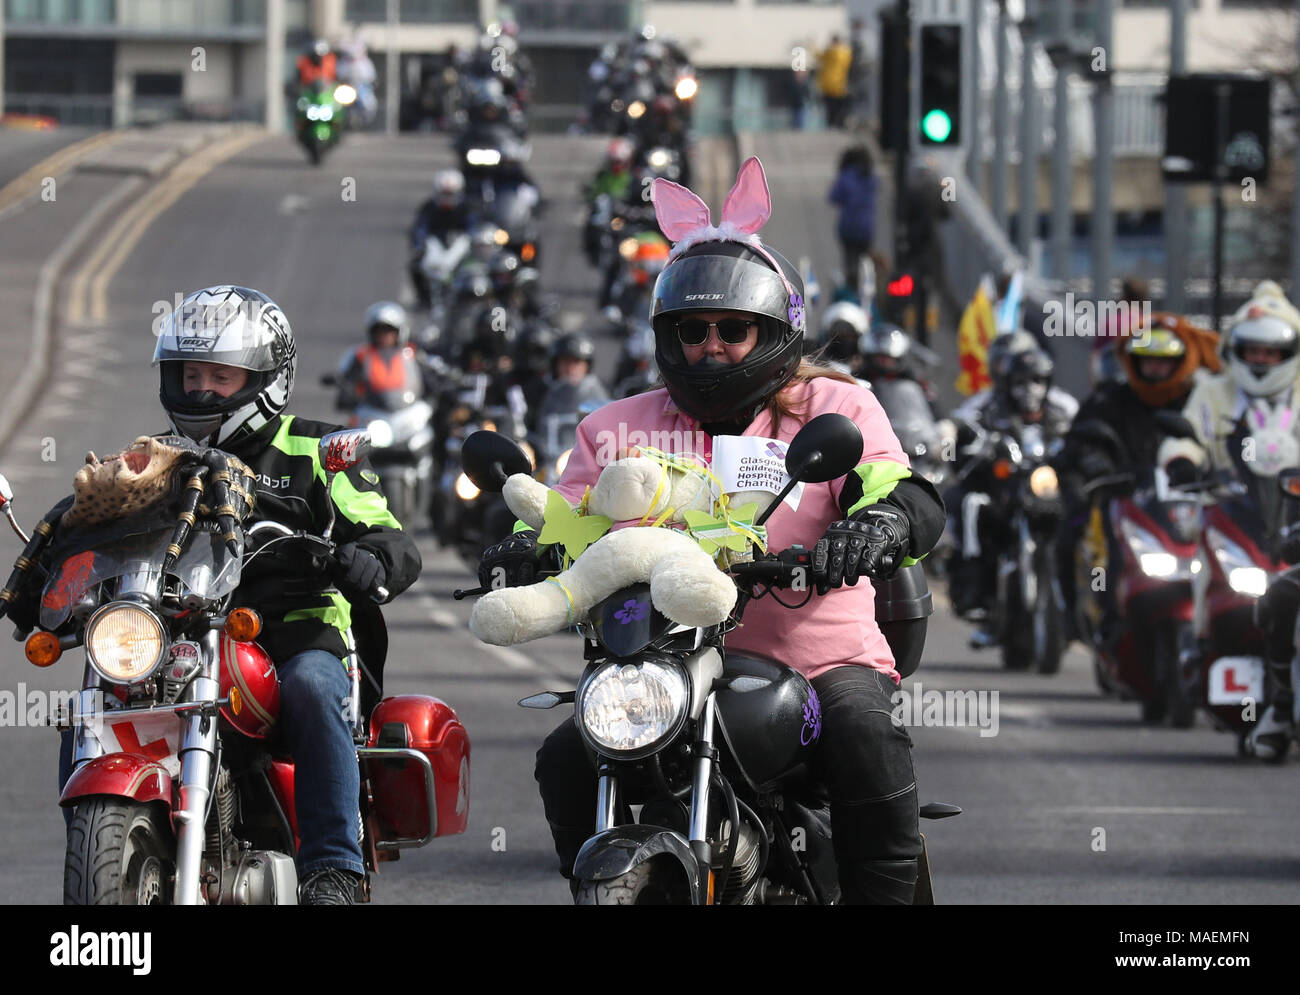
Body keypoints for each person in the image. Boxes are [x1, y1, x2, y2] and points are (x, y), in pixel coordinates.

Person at [480, 164, 946, 903]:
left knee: (866, 737)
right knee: (568, 754)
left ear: (775, 331)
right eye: (692, 330)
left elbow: (899, 487)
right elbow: (563, 512)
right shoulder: (615, 424)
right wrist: (517, 548)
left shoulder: (835, 407)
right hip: (661, 667)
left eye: (733, 329)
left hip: (817, 658)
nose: (710, 345)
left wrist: (879, 524)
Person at [47, 286, 420, 905]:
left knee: (313, 686)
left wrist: (369, 557)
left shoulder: (316, 449)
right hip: (176, 627)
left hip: (293, 626)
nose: (201, 391)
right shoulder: (151, 461)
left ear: (267, 378)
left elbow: (388, 533)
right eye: (191, 375)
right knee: (96, 704)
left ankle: (334, 871)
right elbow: (98, 528)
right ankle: (106, 848)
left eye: (221, 377)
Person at [1157, 282, 1300, 758]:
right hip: (1232, 508)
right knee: (1200, 571)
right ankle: (1200, 641)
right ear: (1236, 350)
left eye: (1271, 351)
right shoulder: (1212, 392)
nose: (1261, 359)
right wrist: (1181, 459)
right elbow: (1187, 437)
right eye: (1252, 349)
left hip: (1294, 518)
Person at [1053, 315, 1220, 651]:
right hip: (1122, 499)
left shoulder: (1200, 400)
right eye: (1148, 361)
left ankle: (1221, 622)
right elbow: (1077, 444)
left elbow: (1220, 443)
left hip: (1188, 505)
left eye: (1164, 362)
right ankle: (1081, 616)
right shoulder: (1110, 398)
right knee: (1069, 532)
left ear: (1180, 362)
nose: (1155, 369)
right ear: (1132, 362)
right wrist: (1095, 464)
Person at [946, 339, 1077, 636]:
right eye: (1021, 382)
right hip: (1006, 488)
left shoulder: (1064, 406)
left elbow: (1082, 430)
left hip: (1048, 487)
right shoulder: (989, 403)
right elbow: (959, 424)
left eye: (1037, 382)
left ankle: (1089, 597)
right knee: (972, 505)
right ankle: (975, 587)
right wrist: (962, 440)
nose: (1029, 389)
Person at [410, 170, 473, 310]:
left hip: (460, 247)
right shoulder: (429, 207)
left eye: (450, 194)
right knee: (415, 265)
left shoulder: (466, 208)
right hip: (435, 245)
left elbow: (474, 228)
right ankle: (424, 298)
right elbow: (420, 228)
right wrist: (419, 246)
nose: (447, 198)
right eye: (444, 194)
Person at [828, 146, 877, 296]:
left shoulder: (845, 177)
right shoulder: (870, 177)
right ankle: (865, 292)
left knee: (849, 261)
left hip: (848, 227)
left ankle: (851, 291)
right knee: (864, 262)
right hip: (866, 228)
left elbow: (833, 197)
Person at [816, 34, 853, 128]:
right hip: (840, 84)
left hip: (828, 84)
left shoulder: (829, 52)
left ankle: (831, 124)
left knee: (830, 107)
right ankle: (839, 123)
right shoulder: (846, 53)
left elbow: (818, 57)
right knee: (839, 106)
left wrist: (812, 46)